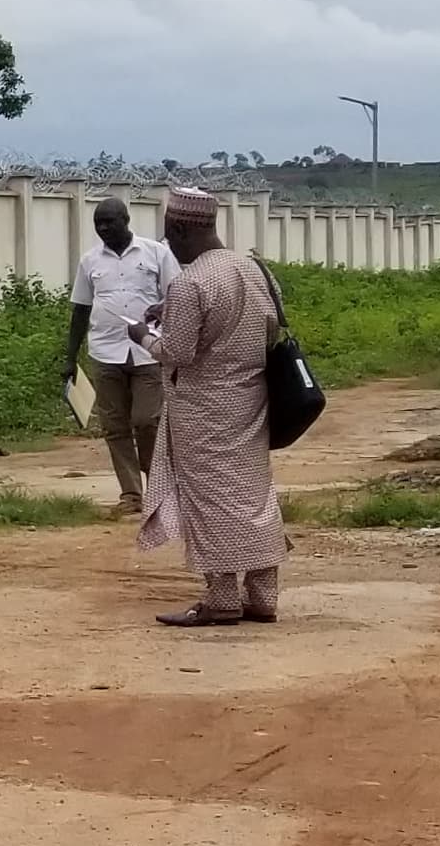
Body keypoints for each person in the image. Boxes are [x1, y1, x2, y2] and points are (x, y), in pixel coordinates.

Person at [136, 185, 287, 626]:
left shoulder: (191, 282)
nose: (168, 243)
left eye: (169, 234)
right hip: (251, 402)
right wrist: (174, 311)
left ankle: (221, 599)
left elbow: (176, 353)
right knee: (255, 497)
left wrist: (142, 337)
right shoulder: (252, 268)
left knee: (211, 503)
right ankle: (263, 596)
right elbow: (267, 327)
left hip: (202, 413)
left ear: (181, 229)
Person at [64, 196, 175, 515]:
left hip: (149, 351)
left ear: (126, 220)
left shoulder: (156, 253)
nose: (103, 228)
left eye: (109, 222)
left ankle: (159, 486)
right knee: (115, 427)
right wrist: (70, 357)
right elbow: (80, 309)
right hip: (105, 351)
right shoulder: (90, 261)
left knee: (147, 421)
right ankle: (131, 494)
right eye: (98, 223)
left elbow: (176, 295)